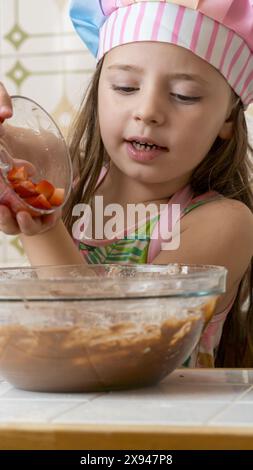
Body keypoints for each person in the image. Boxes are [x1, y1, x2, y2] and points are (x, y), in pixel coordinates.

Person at [0, 0, 253, 367]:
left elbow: (113, 342)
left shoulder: (224, 222)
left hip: (163, 422)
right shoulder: (72, 175)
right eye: (125, 86)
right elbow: (11, 144)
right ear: (99, 88)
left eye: (185, 95)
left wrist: (42, 227)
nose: (148, 111)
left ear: (228, 118)